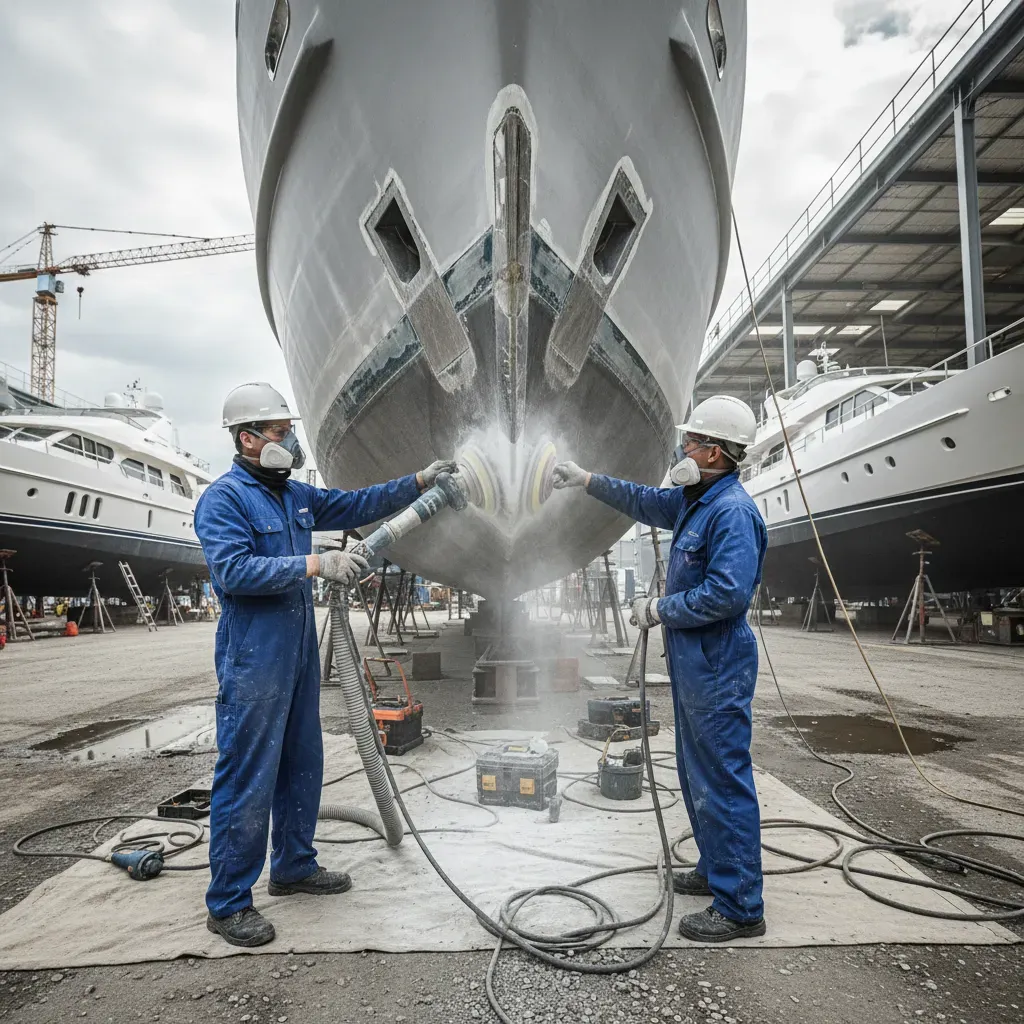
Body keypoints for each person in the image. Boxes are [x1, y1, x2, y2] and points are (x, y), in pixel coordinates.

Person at [195, 382, 456, 947]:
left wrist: (419, 482)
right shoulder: (225, 500)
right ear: (247, 438)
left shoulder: (294, 496)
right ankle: (229, 902)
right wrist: (317, 562)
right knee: (247, 774)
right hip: (254, 659)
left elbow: (358, 503)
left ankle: (293, 865)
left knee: (302, 762)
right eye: (279, 431)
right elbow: (232, 572)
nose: (290, 439)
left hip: (295, 656)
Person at [552, 395, 768, 942]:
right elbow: (646, 501)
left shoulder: (731, 513)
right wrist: (587, 479)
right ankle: (716, 870)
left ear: (714, 452)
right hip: (698, 665)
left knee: (721, 778)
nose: (683, 448)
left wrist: (658, 609)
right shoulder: (696, 502)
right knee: (697, 774)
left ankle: (741, 906)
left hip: (718, 666)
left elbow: (727, 593)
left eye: (691, 441)